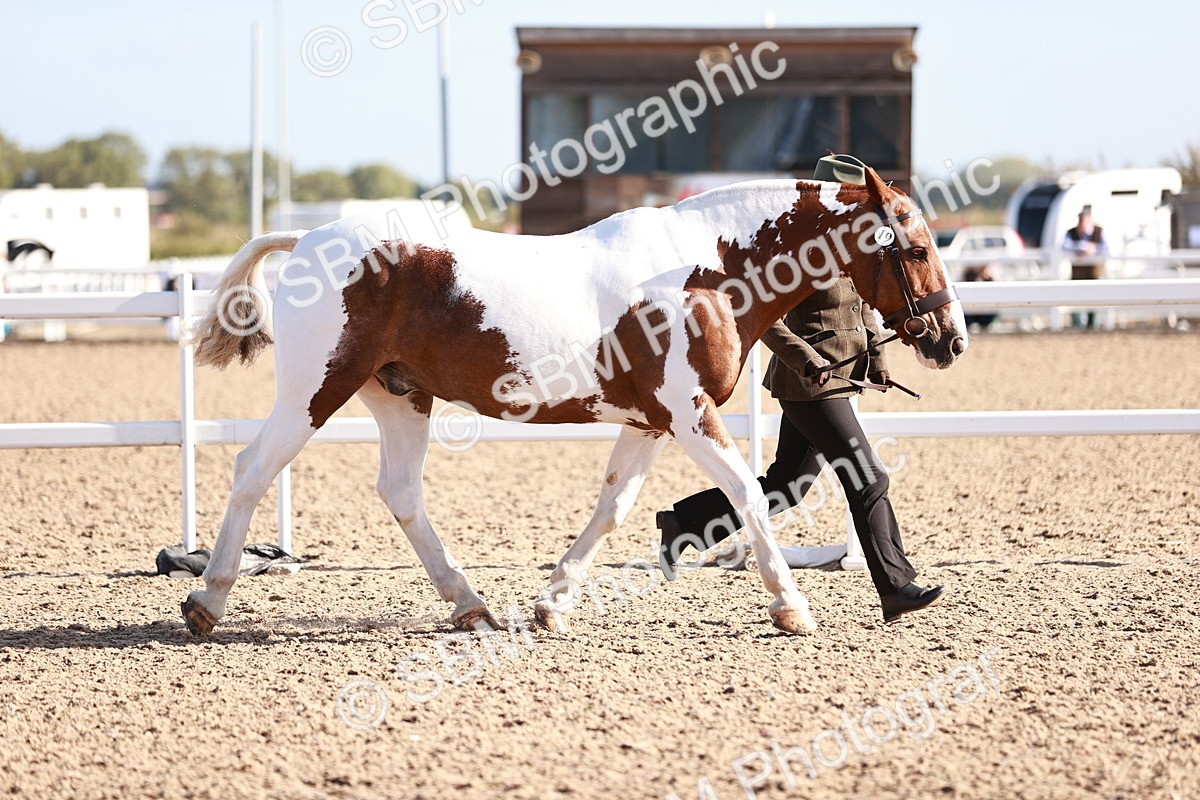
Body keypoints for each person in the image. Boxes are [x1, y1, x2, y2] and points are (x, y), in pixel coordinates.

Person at [655, 154, 944, 624]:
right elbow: (761, 319)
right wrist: (806, 358)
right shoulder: (798, 252)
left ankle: (683, 523)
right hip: (808, 383)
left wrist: (879, 361)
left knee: (787, 486)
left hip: (840, 377)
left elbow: (867, 310)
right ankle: (896, 587)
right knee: (869, 477)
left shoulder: (856, 247)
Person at [1062, 207, 1109, 330]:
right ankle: (1077, 324)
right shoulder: (1071, 233)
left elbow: (1106, 249)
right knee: (1074, 299)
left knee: (1094, 299)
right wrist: (1082, 247)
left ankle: (1093, 324)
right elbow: (1065, 247)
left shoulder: (1099, 232)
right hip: (1078, 273)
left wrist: (1092, 250)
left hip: (1095, 273)